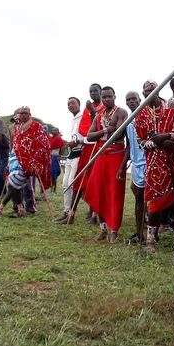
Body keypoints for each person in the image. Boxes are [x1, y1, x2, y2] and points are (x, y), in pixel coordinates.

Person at [135, 80, 174, 253]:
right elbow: (140, 143)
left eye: (154, 90)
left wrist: (168, 136)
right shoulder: (140, 114)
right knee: (154, 201)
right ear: (144, 94)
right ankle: (150, 241)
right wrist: (157, 143)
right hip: (154, 163)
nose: (151, 94)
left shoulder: (172, 106)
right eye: (147, 92)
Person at [83, 87, 128, 243]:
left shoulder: (122, 112)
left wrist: (106, 131)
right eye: (104, 97)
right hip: (101, 156)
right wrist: (105, 131)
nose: (106, 99)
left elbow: (119, 132)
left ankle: (114, 230)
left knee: (114, 194)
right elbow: (89, 136)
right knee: (98, 192)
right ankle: (103, 229)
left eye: (109, 96)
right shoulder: (99, 116)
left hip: (116, 155)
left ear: (115, 96)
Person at [0, 107, 52, 217]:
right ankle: (20, 210)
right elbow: (14, 145)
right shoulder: (16, 127)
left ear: (30, 114)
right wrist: (9, 163)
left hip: (28, 161)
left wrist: (36, 159)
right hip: (14, 158)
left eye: (25, 113)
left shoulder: (36, 126)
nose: (23, 115)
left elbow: (43, 142)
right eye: (21, 114)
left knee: (13, 184)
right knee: (13, 184)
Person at [72, 84, 104, 223]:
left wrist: (92, 112)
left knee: (95, 180)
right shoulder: (86, 109)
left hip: (100, 148)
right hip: (87, 147)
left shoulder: (105, 107)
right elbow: (85, 129)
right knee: (80, 177)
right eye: (90, 91)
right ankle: (71, 213)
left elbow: (99, 127)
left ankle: (94, 214)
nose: (93, 94)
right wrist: (90, 112)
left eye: (95, 91)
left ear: (101, 92)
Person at [121, 91, 147, 244]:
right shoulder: (128, 120)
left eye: (133, 99)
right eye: (128, 100)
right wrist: (122, 166)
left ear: (140, 100)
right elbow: (129, 144)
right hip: (136, 164)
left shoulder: (145, 117)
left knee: (146, 199)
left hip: (147, 162)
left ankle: (150, 233)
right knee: (138, 197)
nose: (131, 102)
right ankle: (139, 233)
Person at [55, 97, 84, 224]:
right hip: (71, 155)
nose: (70, 105)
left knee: (73, 184)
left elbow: (87, 135)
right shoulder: (73, 119)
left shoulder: (83, 117)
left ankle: (72, 214)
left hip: (79, 153)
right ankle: (66, 212)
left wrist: (76, 142)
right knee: (65, 185)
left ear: (79, 104)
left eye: (73, 103)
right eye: (68, 104)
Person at [48, 127, 65, 193]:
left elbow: (63, 147)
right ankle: (52, 188)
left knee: (53, 173)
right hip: (51, 156)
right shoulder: (52, 138)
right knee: (51, 173)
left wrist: (59, 155)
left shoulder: (58, 138)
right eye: (53, 130)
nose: (53, 131)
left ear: (58, 132)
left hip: (55, 156)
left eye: (55, 130)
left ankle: (54, 189)